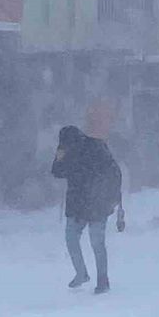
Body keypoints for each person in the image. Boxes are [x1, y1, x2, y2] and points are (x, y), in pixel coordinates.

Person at [51, 126, 123, 294]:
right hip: (77, 203)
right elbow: (57, 172)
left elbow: (113, 173)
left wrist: (113, 197)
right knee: (71, 239)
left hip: (98, 202)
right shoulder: (67, 150)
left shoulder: (96, 147)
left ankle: (102, 281)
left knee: (97, 243)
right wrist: (58, 158)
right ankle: (81, 273)